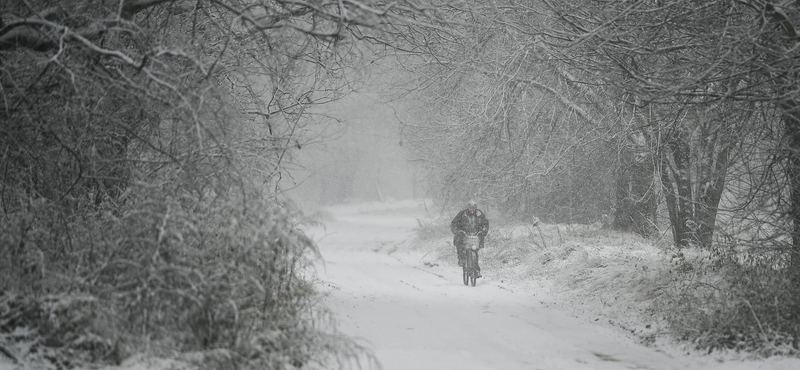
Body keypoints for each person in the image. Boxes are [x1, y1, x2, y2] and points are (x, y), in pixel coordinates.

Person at [450, 199, 489, 278]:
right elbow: (454, 222)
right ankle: (462, 260)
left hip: (476, 236)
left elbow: (485, 223)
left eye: (473, 207)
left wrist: (484, 230)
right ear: (468, 207)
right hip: (464, 235)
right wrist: (456, 230)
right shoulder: (463, 214)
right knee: (461, 247)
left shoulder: (479, 214)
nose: (472, 209)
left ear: (476, 207)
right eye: (470, 207)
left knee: (475, 253)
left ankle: (476, 270)